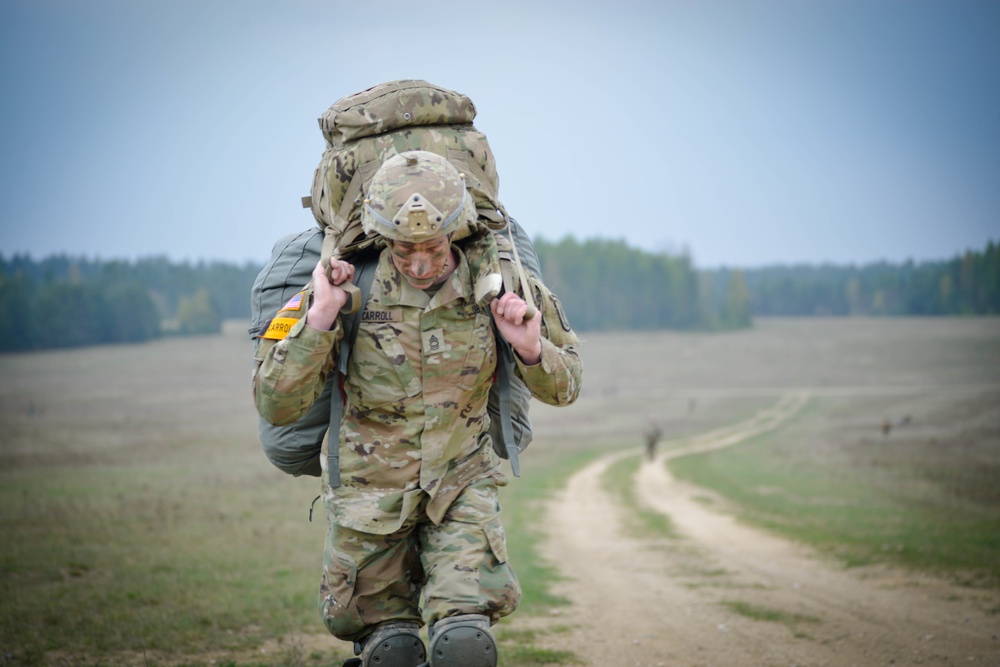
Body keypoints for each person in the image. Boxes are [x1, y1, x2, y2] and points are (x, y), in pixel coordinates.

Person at [253, 151, 582, 667]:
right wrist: (319, 318)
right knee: (393, 653)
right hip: (369, 499)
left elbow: (567, 387)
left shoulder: (499, 280)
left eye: (432, 246)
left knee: (465, 648)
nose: (421, 263)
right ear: (383, 238)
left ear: (455, 229)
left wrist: (531, 349)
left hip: (461, 485)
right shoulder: (345, 285)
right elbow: (275, 403)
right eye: (405, 249)